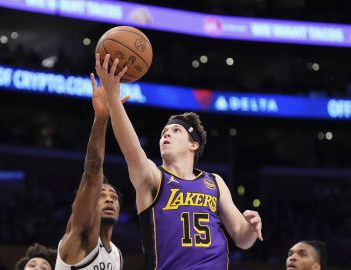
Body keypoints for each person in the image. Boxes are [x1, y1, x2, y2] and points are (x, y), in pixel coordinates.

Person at [95, 53, 263, 270]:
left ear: (193, 145)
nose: (166, 135)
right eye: (164, 132)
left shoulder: (215, 182)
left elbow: (242, 238)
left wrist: (250, 227)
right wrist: (113, 97)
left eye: (175, 131)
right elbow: (132, 151)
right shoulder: (154, 178)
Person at [54, 73, 128, 270]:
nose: (110, 199)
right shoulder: (79, 235)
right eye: (102, 195)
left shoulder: (117, 255)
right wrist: (102, 118)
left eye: (113, 197)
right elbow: (93, 173)